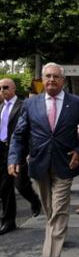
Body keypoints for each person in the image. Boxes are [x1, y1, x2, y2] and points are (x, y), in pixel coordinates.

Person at [8, 63, 79, 257]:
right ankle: (57, 234)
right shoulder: (30, 104)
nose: (51, 80)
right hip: (38, 165)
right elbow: (19, 135)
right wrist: (13, 158)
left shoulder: (76, 103)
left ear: (63, 80)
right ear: (42, 79)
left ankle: (52, 256)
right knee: (50, 210)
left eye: (56, 76)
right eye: (47, 76)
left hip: (65, 164)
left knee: (60, 209)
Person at [0, 78, 42, 236]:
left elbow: (32, 129)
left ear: (14, 88)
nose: (2, 91)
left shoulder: (24, 106)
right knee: (4, 188)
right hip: (2, 150)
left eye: (5, 87)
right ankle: (8, 221)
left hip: (18, 151)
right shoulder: (1, 107)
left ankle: (34, 200)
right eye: (0, 88)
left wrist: (30, 152)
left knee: (20, 184)